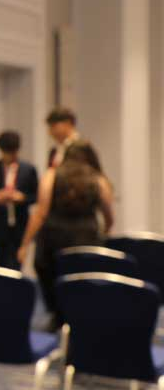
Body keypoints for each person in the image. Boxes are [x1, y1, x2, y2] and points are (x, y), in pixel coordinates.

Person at [17, 141, 114, 328]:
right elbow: (108, 215)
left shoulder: (52, 176)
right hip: (87, 241)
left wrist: (25, 244)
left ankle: (58, 316)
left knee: (52, 277)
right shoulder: (98, 179)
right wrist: (106, 232)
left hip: (54, 241)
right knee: (83, 283)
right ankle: (82, 318)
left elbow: (40, 213)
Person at [0, 131, 38, 270]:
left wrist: (22, 197)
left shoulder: (28, 170)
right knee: (2, 265)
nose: (11, 156)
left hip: (21, 224)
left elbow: (36, 196)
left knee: (17, 265)